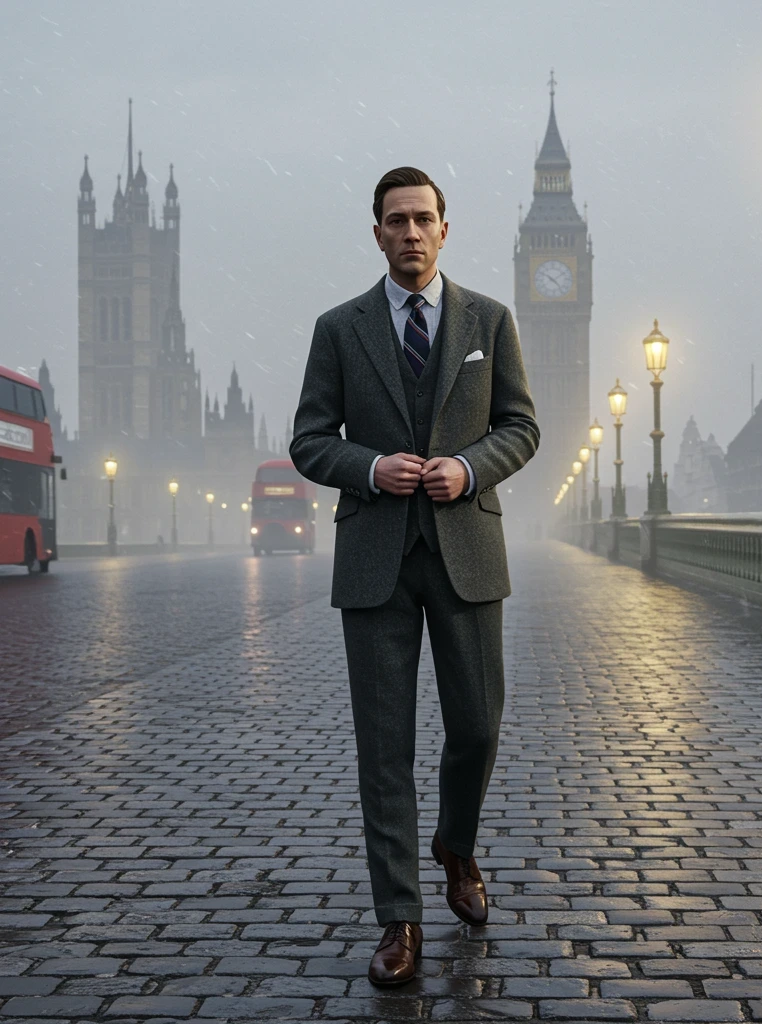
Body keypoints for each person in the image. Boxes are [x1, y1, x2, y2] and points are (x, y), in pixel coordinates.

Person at [290, 166, 539, 986]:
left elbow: (521, 427)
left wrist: (468, 471)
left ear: (443, 228)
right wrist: (369, 469)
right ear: (377, 233)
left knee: (477, 727)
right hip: (376, 560)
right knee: (384, 749)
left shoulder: (490, 321)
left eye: (422, 219)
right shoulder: (339, 329)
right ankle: (399, 920)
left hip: (466, 548)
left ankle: (456, 845)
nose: (409, 232)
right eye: (394, 220)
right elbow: (310, 440)